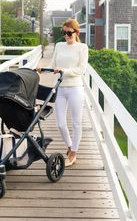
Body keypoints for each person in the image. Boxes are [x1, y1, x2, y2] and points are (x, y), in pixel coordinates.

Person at [37, 18, 88, 167]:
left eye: (69, 33)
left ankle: (73, 152)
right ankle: (70, 146)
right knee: (60, 123)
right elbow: (53, 65)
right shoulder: (59, 46)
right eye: (64, 32)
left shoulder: (82, 47)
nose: (66, 35)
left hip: (75, 89)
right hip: (60, 88)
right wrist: (43, 69)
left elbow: (81, 70)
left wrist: (64, 71)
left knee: (76, 123)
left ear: (76, 32)